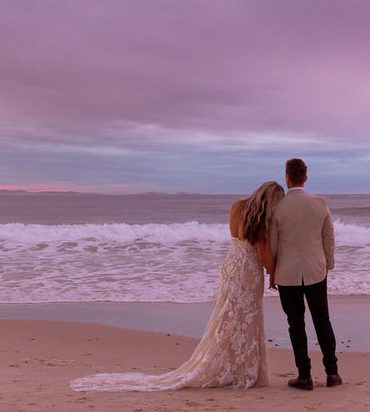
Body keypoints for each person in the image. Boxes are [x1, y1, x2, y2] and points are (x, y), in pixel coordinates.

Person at [69, 181, 282, 391]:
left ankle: (228, 366)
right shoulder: (261, 222)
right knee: (244, 320)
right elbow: (264, 256)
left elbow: (235, 238)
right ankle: (241, 370)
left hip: (230, 267)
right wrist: (275, 273)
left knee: (226, 318)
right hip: (248, 275)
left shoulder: (238, 206)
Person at [269, 158, 342, 390]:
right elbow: (328, 237)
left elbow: (273, 244)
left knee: (296, 324)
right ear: (306, 178)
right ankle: (332, 373)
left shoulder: (278, 207)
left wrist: (272, 271)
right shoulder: (320, 203)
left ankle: (304, 375)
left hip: (287, 273)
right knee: (322, 320)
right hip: (315, 271)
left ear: (287, 178)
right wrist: (328, 264)